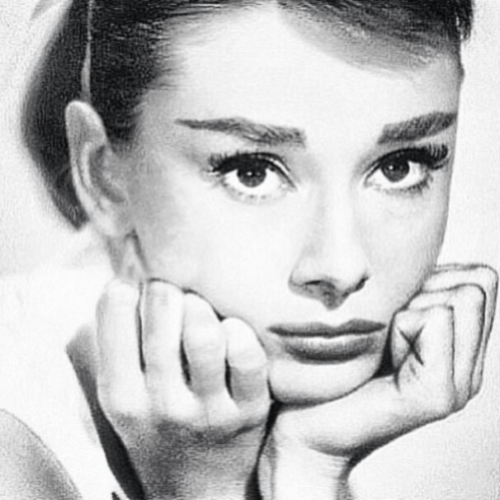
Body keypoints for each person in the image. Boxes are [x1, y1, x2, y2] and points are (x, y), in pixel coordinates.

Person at [0, 0, 497, 499]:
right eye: (252, 173)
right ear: (104, 175)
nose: (341, 268)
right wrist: (206, 490)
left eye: (399, 166)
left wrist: (311, 468)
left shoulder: (246, 405)